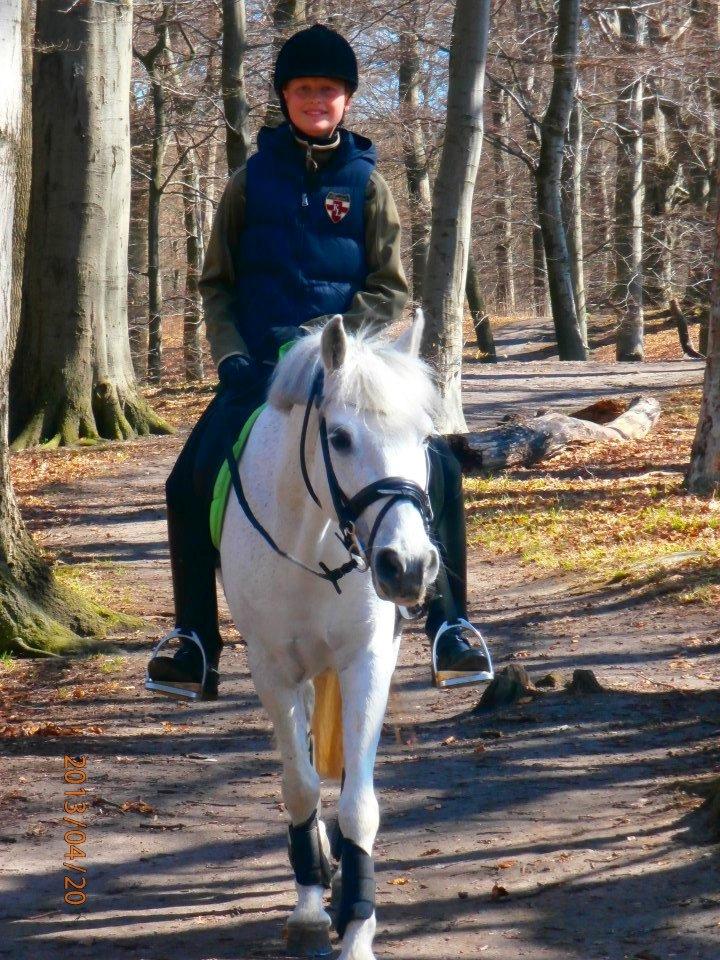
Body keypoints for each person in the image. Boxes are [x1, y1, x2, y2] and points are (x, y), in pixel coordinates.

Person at [146, 24, 492, 701]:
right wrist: (232, 357)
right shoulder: (249, 182)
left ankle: (451, 626)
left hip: (350, 365)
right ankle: (194, 641)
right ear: (284, 96)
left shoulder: (368, 185)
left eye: (328, 90)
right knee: (187, 479)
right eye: (304, 89)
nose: (316, 100)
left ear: (347, 99)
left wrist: (342, 345)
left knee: (441, 467)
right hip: (261, 370)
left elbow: (390, 286)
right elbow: (217, 285)